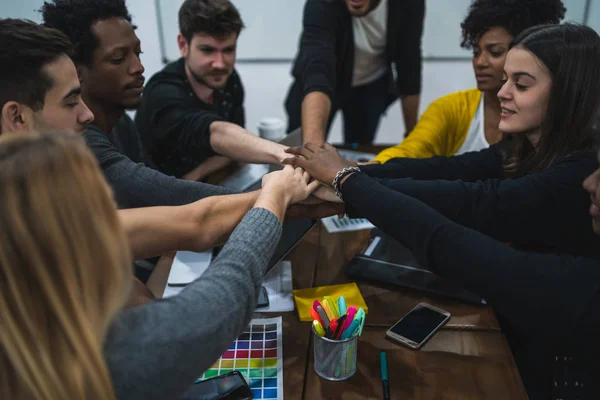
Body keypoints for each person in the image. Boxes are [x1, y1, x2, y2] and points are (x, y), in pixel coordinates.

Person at [284, 23, 600, 399]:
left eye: (522, 84)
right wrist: (351, 178)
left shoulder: (576, 173)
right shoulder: (524, 149)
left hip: (555, 364)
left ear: (568, 94)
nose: (501, 93)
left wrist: (347, 183)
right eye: (505, 80)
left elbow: (474, 205)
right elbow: (443, 171)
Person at [0, 131, 318, 400]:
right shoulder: (106, 356)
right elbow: (224, 294)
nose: (113, 212)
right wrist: (275, 195)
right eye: (99, 207)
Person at [40, 0, 286, 207]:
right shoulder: (77, 137)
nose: (139, 68)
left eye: (138, 54)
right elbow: (159, 192)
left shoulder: (122, 123)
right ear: (77, 69)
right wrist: (271, 197)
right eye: (118, 59)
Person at [373, 0, 565, 163]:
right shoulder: (451, 109)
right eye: (475, 52)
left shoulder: (553, 118)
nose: (480, 62)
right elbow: (409, 152)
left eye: (495, 52)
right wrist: (363, 170)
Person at [136, 0, 278, 179]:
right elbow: (213, 133)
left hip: (208, 182)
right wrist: (283, 153)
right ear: (183, 45)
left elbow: (231, 149)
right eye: (207, 50)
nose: (220, 63)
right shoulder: (162, 92)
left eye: (228, 50)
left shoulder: (230, 80)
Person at [285, 0, 425, 145]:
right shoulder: (322, 4)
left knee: (359, 147)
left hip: (370, 84)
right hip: (316, 87)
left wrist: (412, 138)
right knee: (299, 146)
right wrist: (310, 154)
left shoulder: (409, 3)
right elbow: (318, 68)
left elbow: (409, 64)